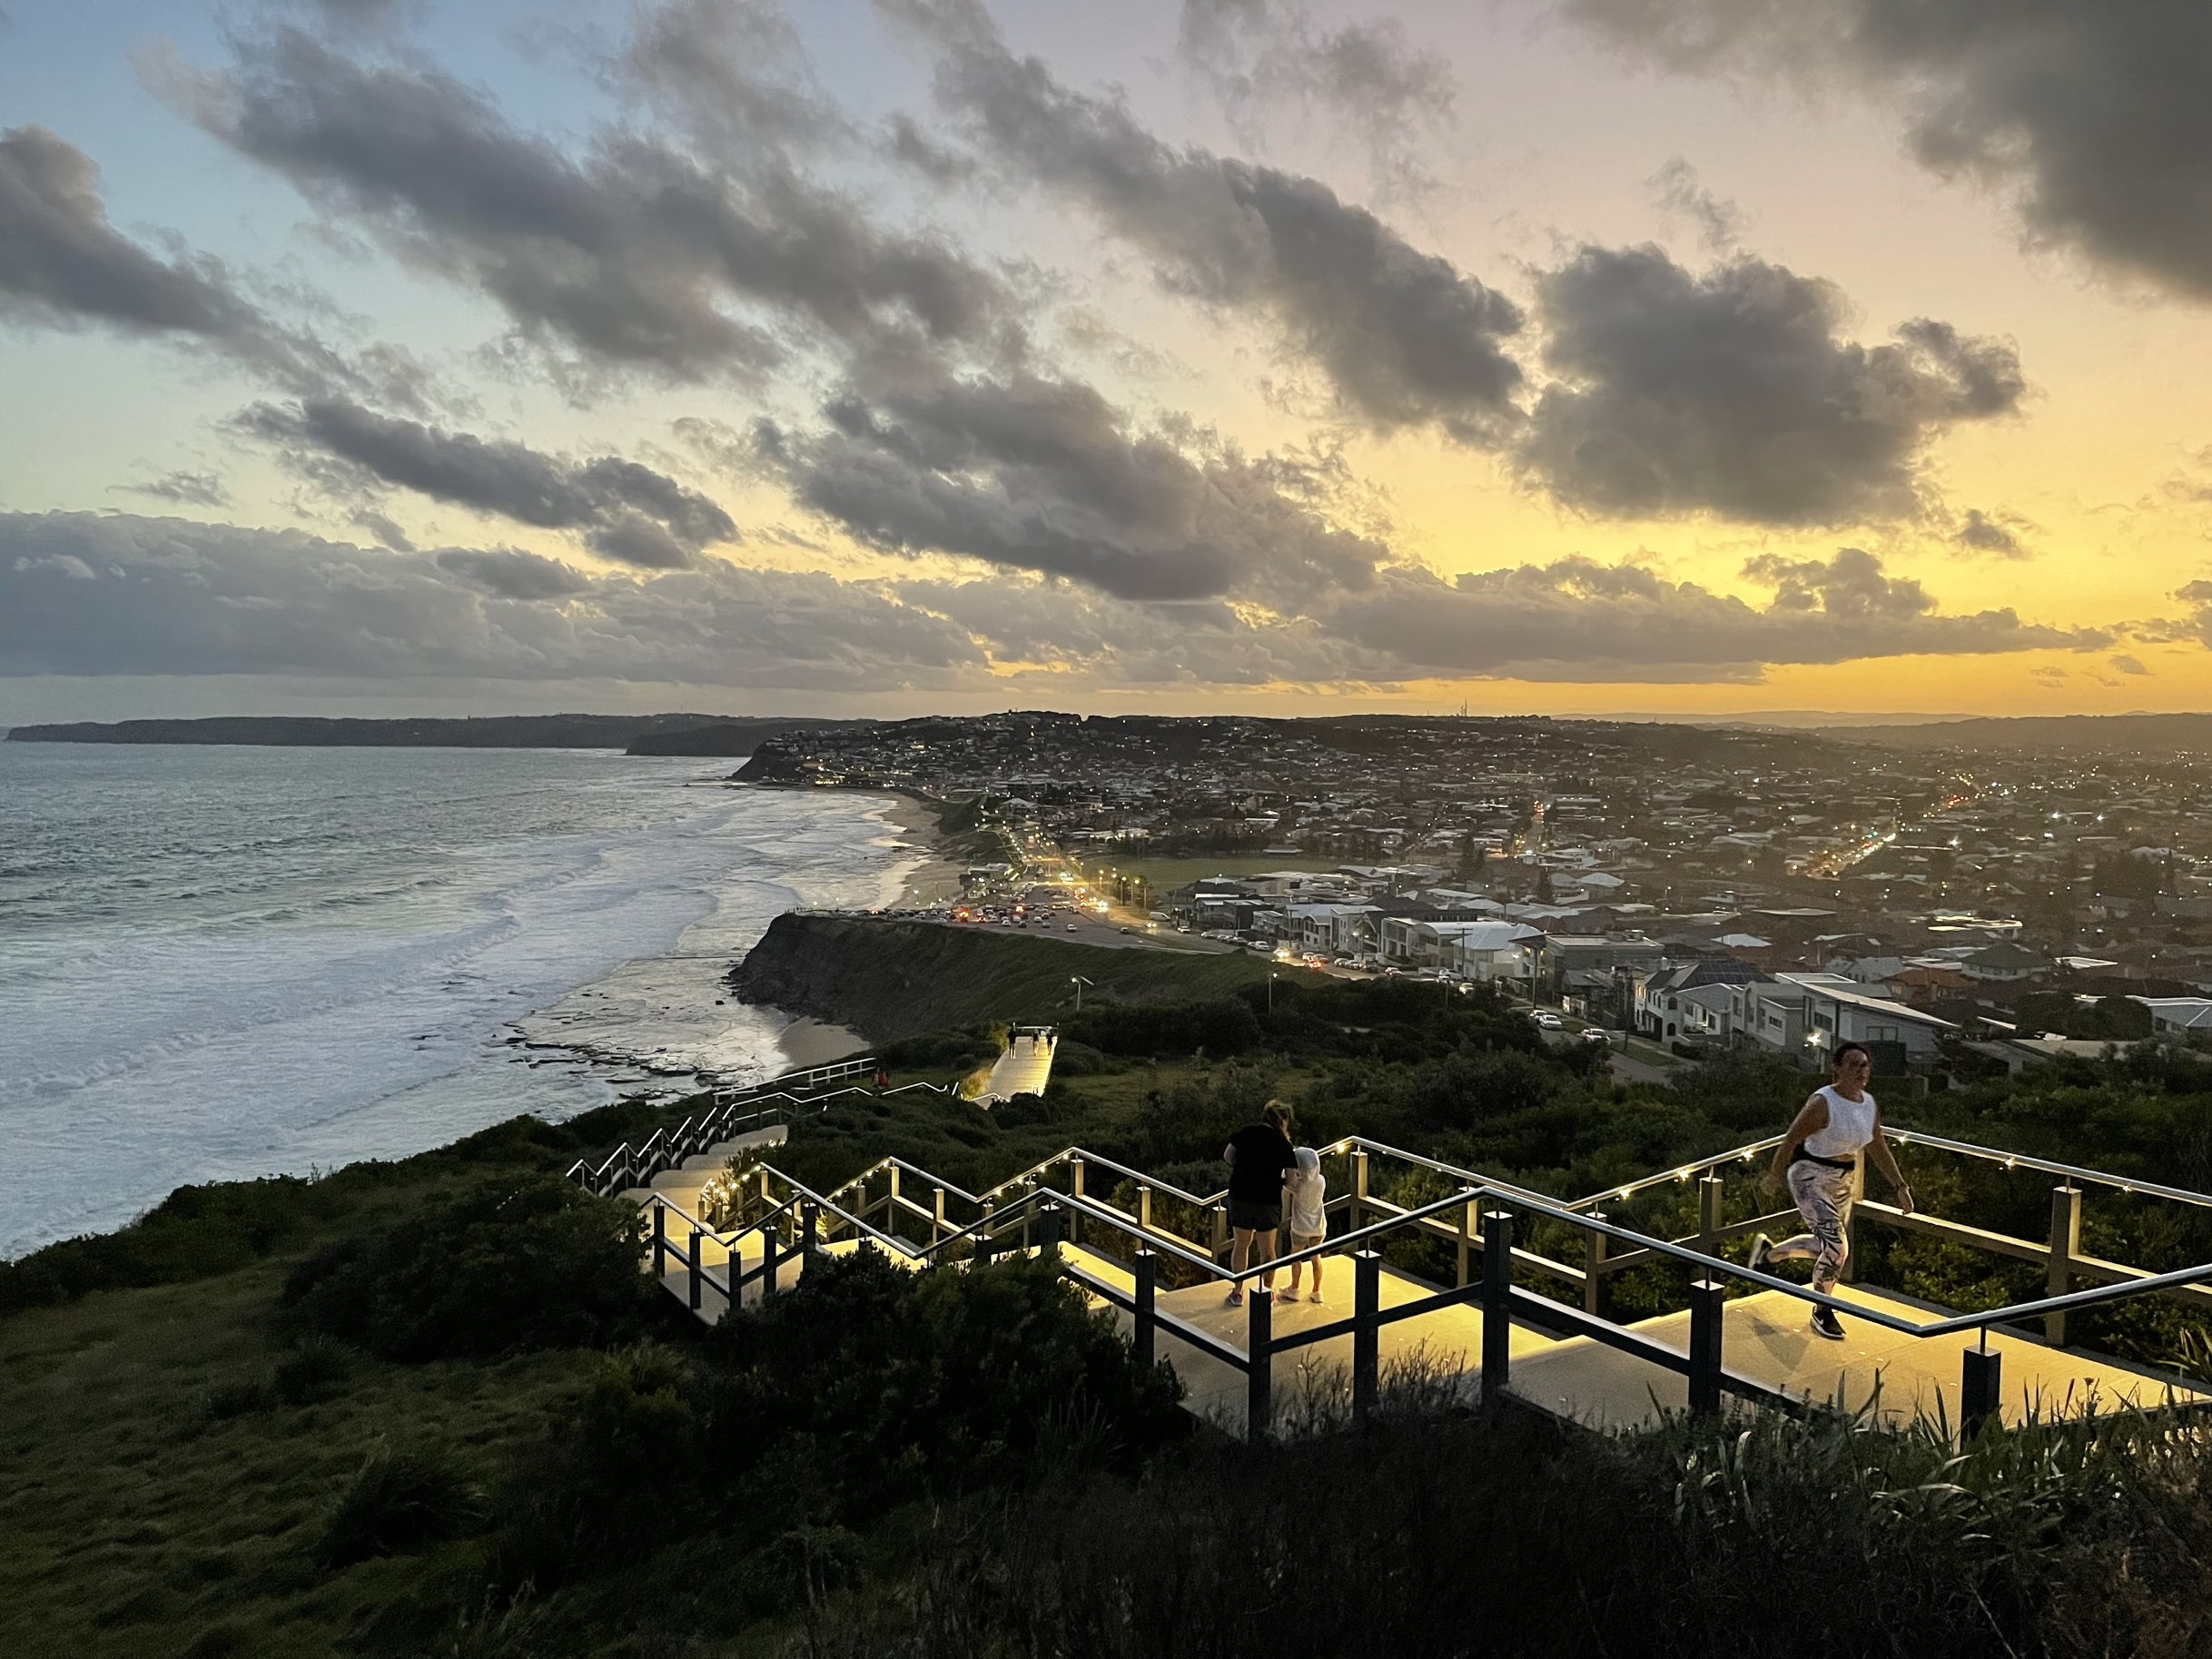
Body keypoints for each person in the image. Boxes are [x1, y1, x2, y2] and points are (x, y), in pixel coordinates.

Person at [1749, 1041, 1914, 1340]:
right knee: (1839, 1249)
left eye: (1864, 1065)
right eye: (1853, 1064)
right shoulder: (1823, 1103)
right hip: (1811, 1177)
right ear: (1836, 1069)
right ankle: (1822, 1309)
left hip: (1843, 1181)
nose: (1860, 1071)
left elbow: (1877, 1145)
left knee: (1827, 1246)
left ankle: (1768, 1255)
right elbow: (1790, 1140)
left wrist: (1900, 1186)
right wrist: (1774, 1175)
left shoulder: (1869, 1105)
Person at [1222, 1101, 1298, 1307]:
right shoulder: (1283, 1144)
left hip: (1240, 1196)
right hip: (1268, 1201)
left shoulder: (1245, 1132)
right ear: (1282, 1120)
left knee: (1241, 1244)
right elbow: (1292, 1180)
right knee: (1267, 1250)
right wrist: (1276, 1180)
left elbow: (1228, 1156)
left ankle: (1237, 1292)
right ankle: (1266, 1292)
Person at [1283, 1145, 1328, 1304]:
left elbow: (1285, 1181)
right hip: (1318, 1226)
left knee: (1296, 1258)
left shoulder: (1297, 1184)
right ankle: (1317, 1291)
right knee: (1316, 1257)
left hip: (1300, 1228)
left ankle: (1294, 1288)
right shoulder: (1321, 1181)